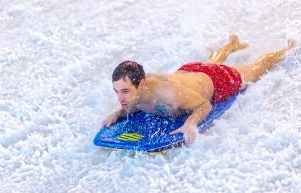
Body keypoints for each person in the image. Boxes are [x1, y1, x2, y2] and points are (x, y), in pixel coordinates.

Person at [103, 35, 296, 144]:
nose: (120, 97)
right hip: (189, 72)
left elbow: (204, 105)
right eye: (117, 91)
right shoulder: (139, 87)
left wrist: (191, 123)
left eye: (125, 91)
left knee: (253, 70)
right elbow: (135, 102)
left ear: (142, 84)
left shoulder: (170, 95)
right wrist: (118, 112)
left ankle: (289, 49)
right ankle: (230, 46)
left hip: (216, 80)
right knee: (208, 64)